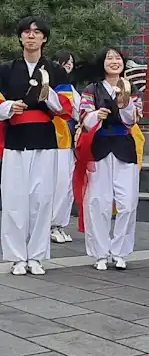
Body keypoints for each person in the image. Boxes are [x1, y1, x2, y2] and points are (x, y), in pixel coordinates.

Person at [0, 16, 72, 276]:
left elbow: (67, 107)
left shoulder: (56, 71)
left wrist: (47, 92)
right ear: (20, 37)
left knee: (42, 199)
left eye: (37, 32)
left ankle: (37, 256)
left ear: (44, 38)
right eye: (26, 32)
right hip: (16, 139)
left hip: (44, 139)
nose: (31, 36)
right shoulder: (6, 70)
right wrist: (9, 107)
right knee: (14, 199)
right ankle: (17, 257)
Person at [73, 47, 144, 271]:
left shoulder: (131, 88)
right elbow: (84, 117)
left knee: (127, 202)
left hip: (124, 147)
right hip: (99, 147)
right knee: (98, 202)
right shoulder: (92, 89)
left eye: (118, 58)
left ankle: (120, 252)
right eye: (109, 58)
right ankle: (100, 253)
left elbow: (133, 119)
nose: (114, 61)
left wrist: (124, 103)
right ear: (101, 63)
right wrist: (96, 115)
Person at [51, 50, 81, 244]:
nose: (69, 64)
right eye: (65, 61)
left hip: (65, 140)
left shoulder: (69, 87)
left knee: (65, 184)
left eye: (71, 62)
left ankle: (58, 225)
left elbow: (80, 111)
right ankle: (52, 225)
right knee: (58, 183)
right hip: (51, 139)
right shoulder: (58, 86)